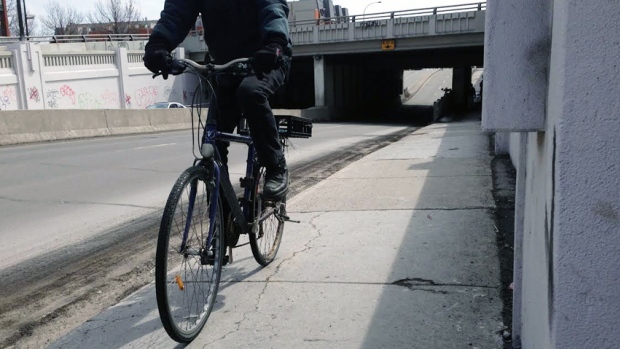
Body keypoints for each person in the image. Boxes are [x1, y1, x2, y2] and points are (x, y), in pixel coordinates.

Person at [143, 0, 293, 201]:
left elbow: (272, 8)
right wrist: (158, 45)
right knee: (213, 145)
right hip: (225, 65)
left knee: (250, 93)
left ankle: (276, 166)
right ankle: (223, 224)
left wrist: (275, 41)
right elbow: (177, 12)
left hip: (266, 57)